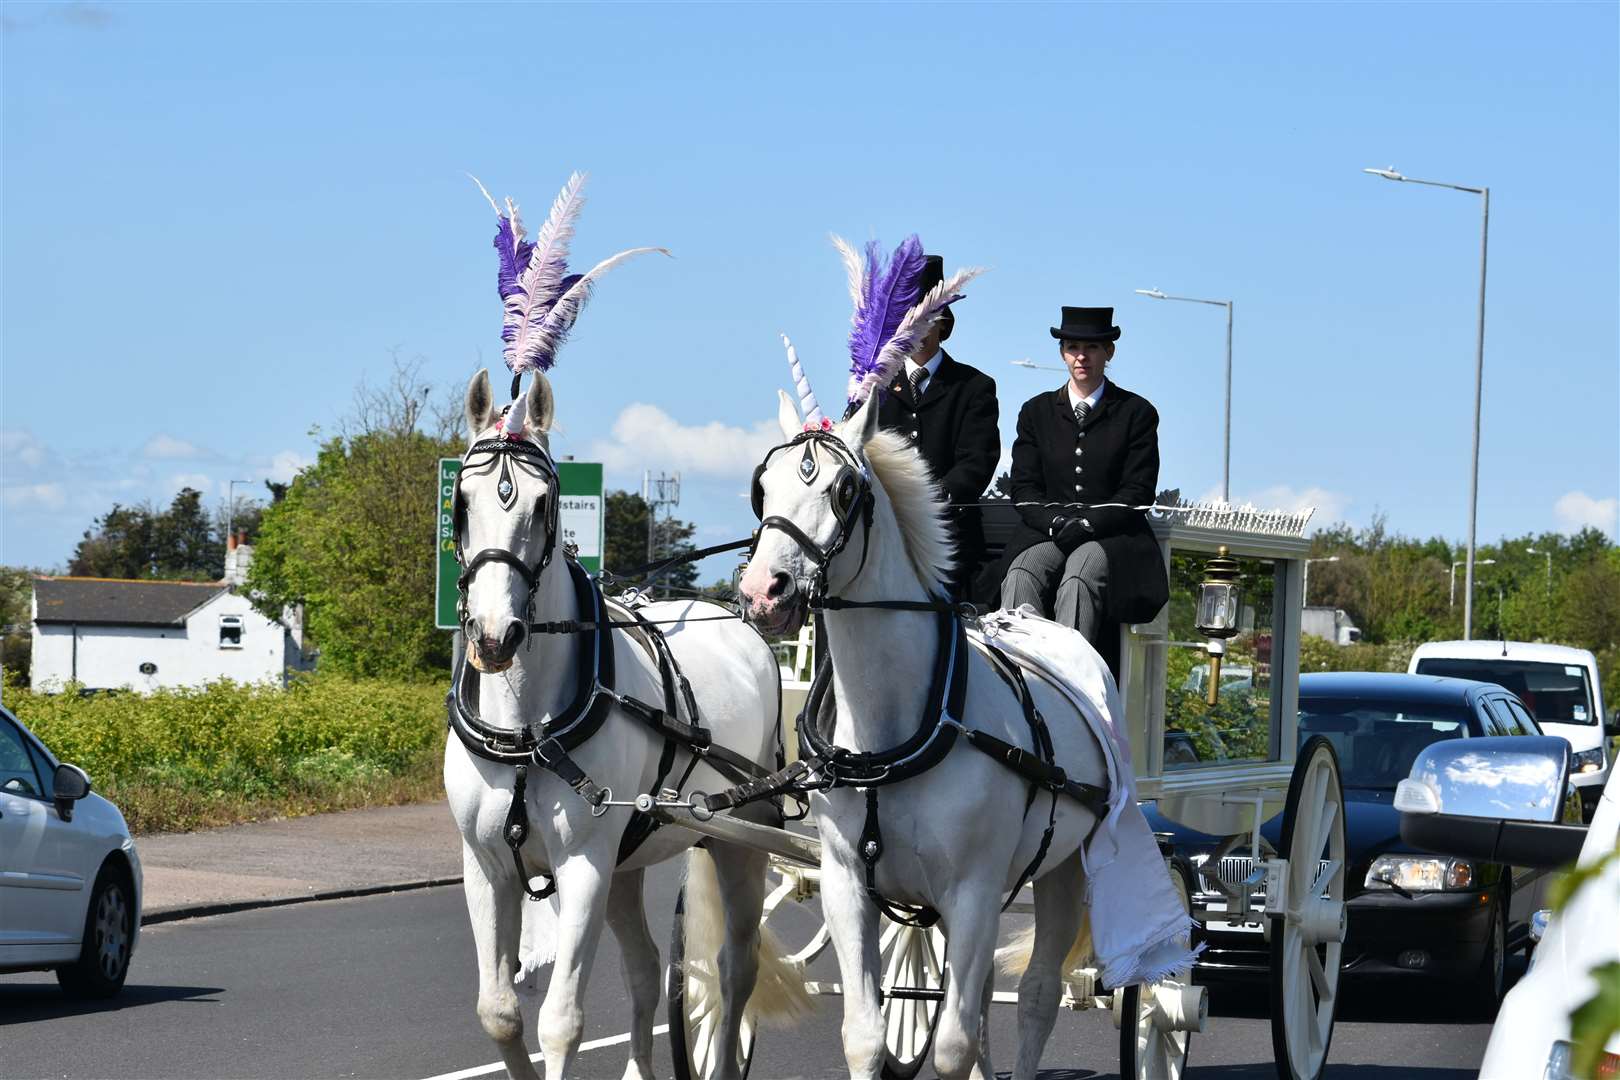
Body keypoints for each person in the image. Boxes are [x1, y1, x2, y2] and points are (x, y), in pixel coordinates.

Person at [996, 306, 1169, 647]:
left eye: (1092, 348)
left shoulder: (1136, 412)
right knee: (1020, 574)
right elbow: (1024, 487)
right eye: (1073, 347)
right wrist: (1055, 522)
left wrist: (1090, 524)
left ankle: (1070, 681)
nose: (1081, 356)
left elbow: (1138, 491)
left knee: (1079, 576)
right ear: (1062, 353)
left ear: (1109, 352)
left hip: (1112, 536)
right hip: (1049, 530)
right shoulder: (1036, 411)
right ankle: (1017, 671)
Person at [873, 254, 1000, 598]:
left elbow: (976, 463)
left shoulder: (974, 388)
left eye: (928, 320)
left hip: (948, 537)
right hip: (885, 535)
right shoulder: (876, 387)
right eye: (909, 322)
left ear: (944, 324)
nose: (919, 331)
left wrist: (929, 500)